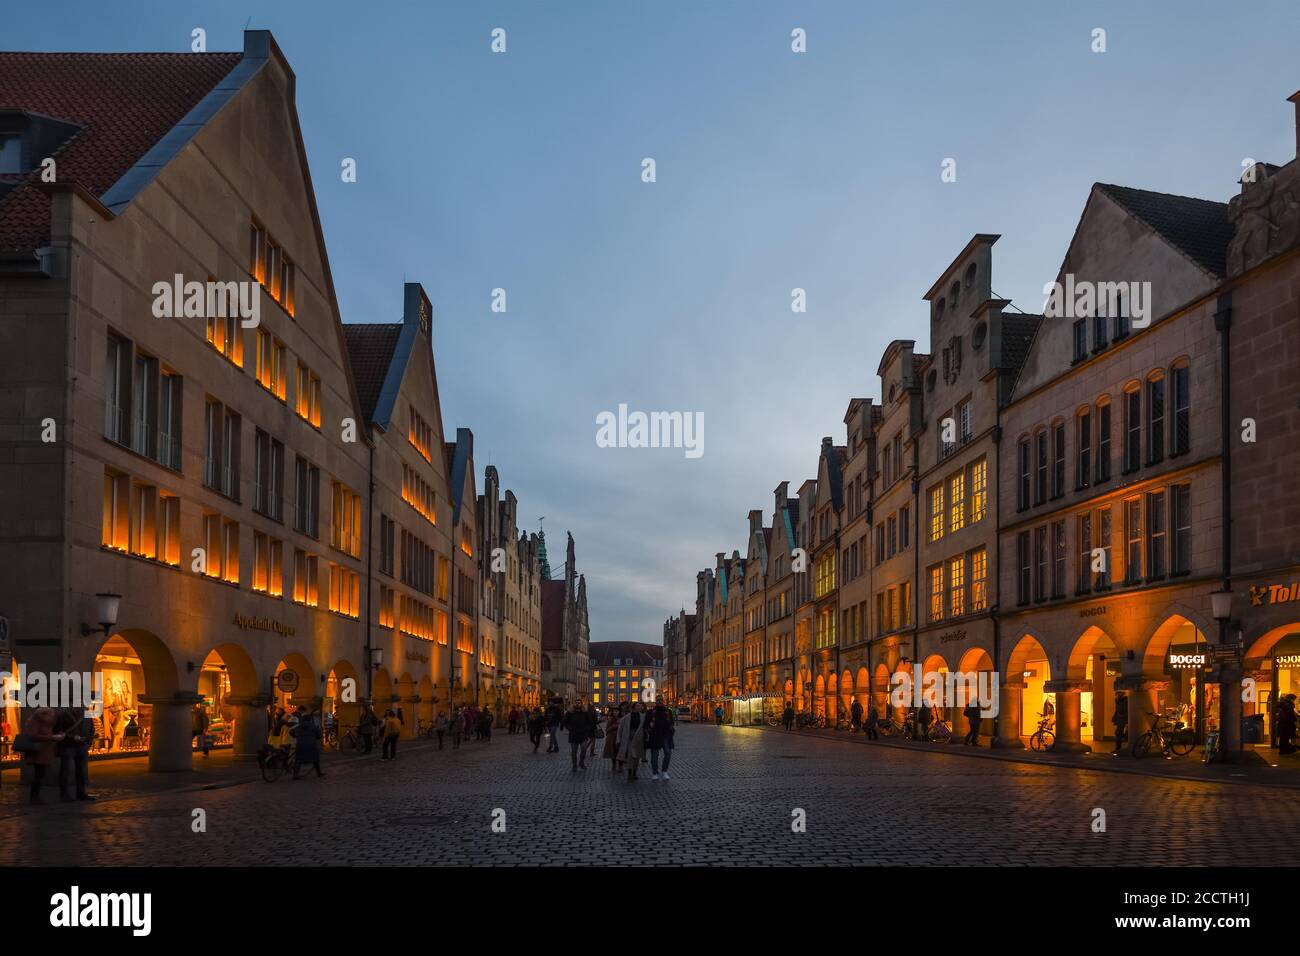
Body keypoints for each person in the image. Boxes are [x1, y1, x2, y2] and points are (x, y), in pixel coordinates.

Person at [21, 707, 65, 803]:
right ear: (45, 715)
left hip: (44, 751)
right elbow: (32, 736)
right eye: (52, 714)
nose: (53, 717)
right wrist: (51, 737)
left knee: (40, 774)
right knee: (38, 774)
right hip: (37, 751)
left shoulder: (48, 723)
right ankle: (34, 797)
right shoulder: (36, 721)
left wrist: (55, 736)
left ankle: (36, 797)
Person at [55, 707, 95, 801]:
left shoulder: (87, 714)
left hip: (82, 746)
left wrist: (88, 742)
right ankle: (64, 794)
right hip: (68, 746)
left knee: (82, 770)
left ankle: (81, 793)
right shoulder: (64, 714)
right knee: (66, 770)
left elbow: (92, 729)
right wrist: (72, 737)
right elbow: (59, 731)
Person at [647, 698, 675, 779]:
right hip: (655, 736)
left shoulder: (668, 711)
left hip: (666, 736)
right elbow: (647, 723)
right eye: (658, 701)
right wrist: (650, 727)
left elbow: (671, 722)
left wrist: (671, 731)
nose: (660, 702)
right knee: (654, 756)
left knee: (668, 753)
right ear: (656, 702)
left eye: (661, 701)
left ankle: (664, 771)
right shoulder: (651, 712)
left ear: (663, 702)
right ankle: (655, 772)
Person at [293, 707, 324, 779]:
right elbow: (319, 735)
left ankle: (295, 775)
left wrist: (296, 736)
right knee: (315, 759)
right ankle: (319, 773)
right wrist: (316, 737)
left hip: (300, 745)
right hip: (311, 745)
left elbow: (291, 731)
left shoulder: (299, 726)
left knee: (298, 760)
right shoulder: (313, 726)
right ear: (310, 719)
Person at [618, 702, 646, 781]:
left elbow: (645, 728)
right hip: (629, 738)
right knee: (630, 756)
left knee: (636, 757)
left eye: (640, 706)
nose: (640, 707)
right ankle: (630, 773)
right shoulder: (626, 717)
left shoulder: (643, 716)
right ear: (633, 707)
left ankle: (634, 772)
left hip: (638, 739)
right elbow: (620, 728)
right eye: (637, 706)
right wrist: (618, 739)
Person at [564, 700, 592, 771]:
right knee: (574, 751)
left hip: (583, 734)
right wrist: (570, 728)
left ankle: (581, 762)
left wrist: (586, 729)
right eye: (576, 703)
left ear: (581, 704)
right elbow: (565, 722)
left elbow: (589, 722)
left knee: (584, 749)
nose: (577, 704)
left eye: (579, 703)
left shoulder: (585, 713)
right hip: (573, 734)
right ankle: (574, 765)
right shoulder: (570, 713)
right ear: (574, 704)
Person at [602, 704, 623, 770]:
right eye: (614, 711)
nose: (615, 713)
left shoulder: (622, 719)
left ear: (619, 712)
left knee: (620, 752)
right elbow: (607, 729)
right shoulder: (610, 720)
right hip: (612, 738)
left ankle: (620, 766)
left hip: (620, 737)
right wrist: (614, 726)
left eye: (617, 711)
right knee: (612, 752)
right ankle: (613, 765)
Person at [1112, 690, 1129, 755]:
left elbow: (1125, 710)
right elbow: (1117, 709)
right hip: (1120, 718)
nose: (1117, 695)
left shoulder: (1126, 700)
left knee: (1121, 733)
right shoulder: (1117, 700)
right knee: (1118, 733)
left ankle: (1119, 748)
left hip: (1124, 718)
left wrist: (1127, 721)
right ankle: (1118, 748)